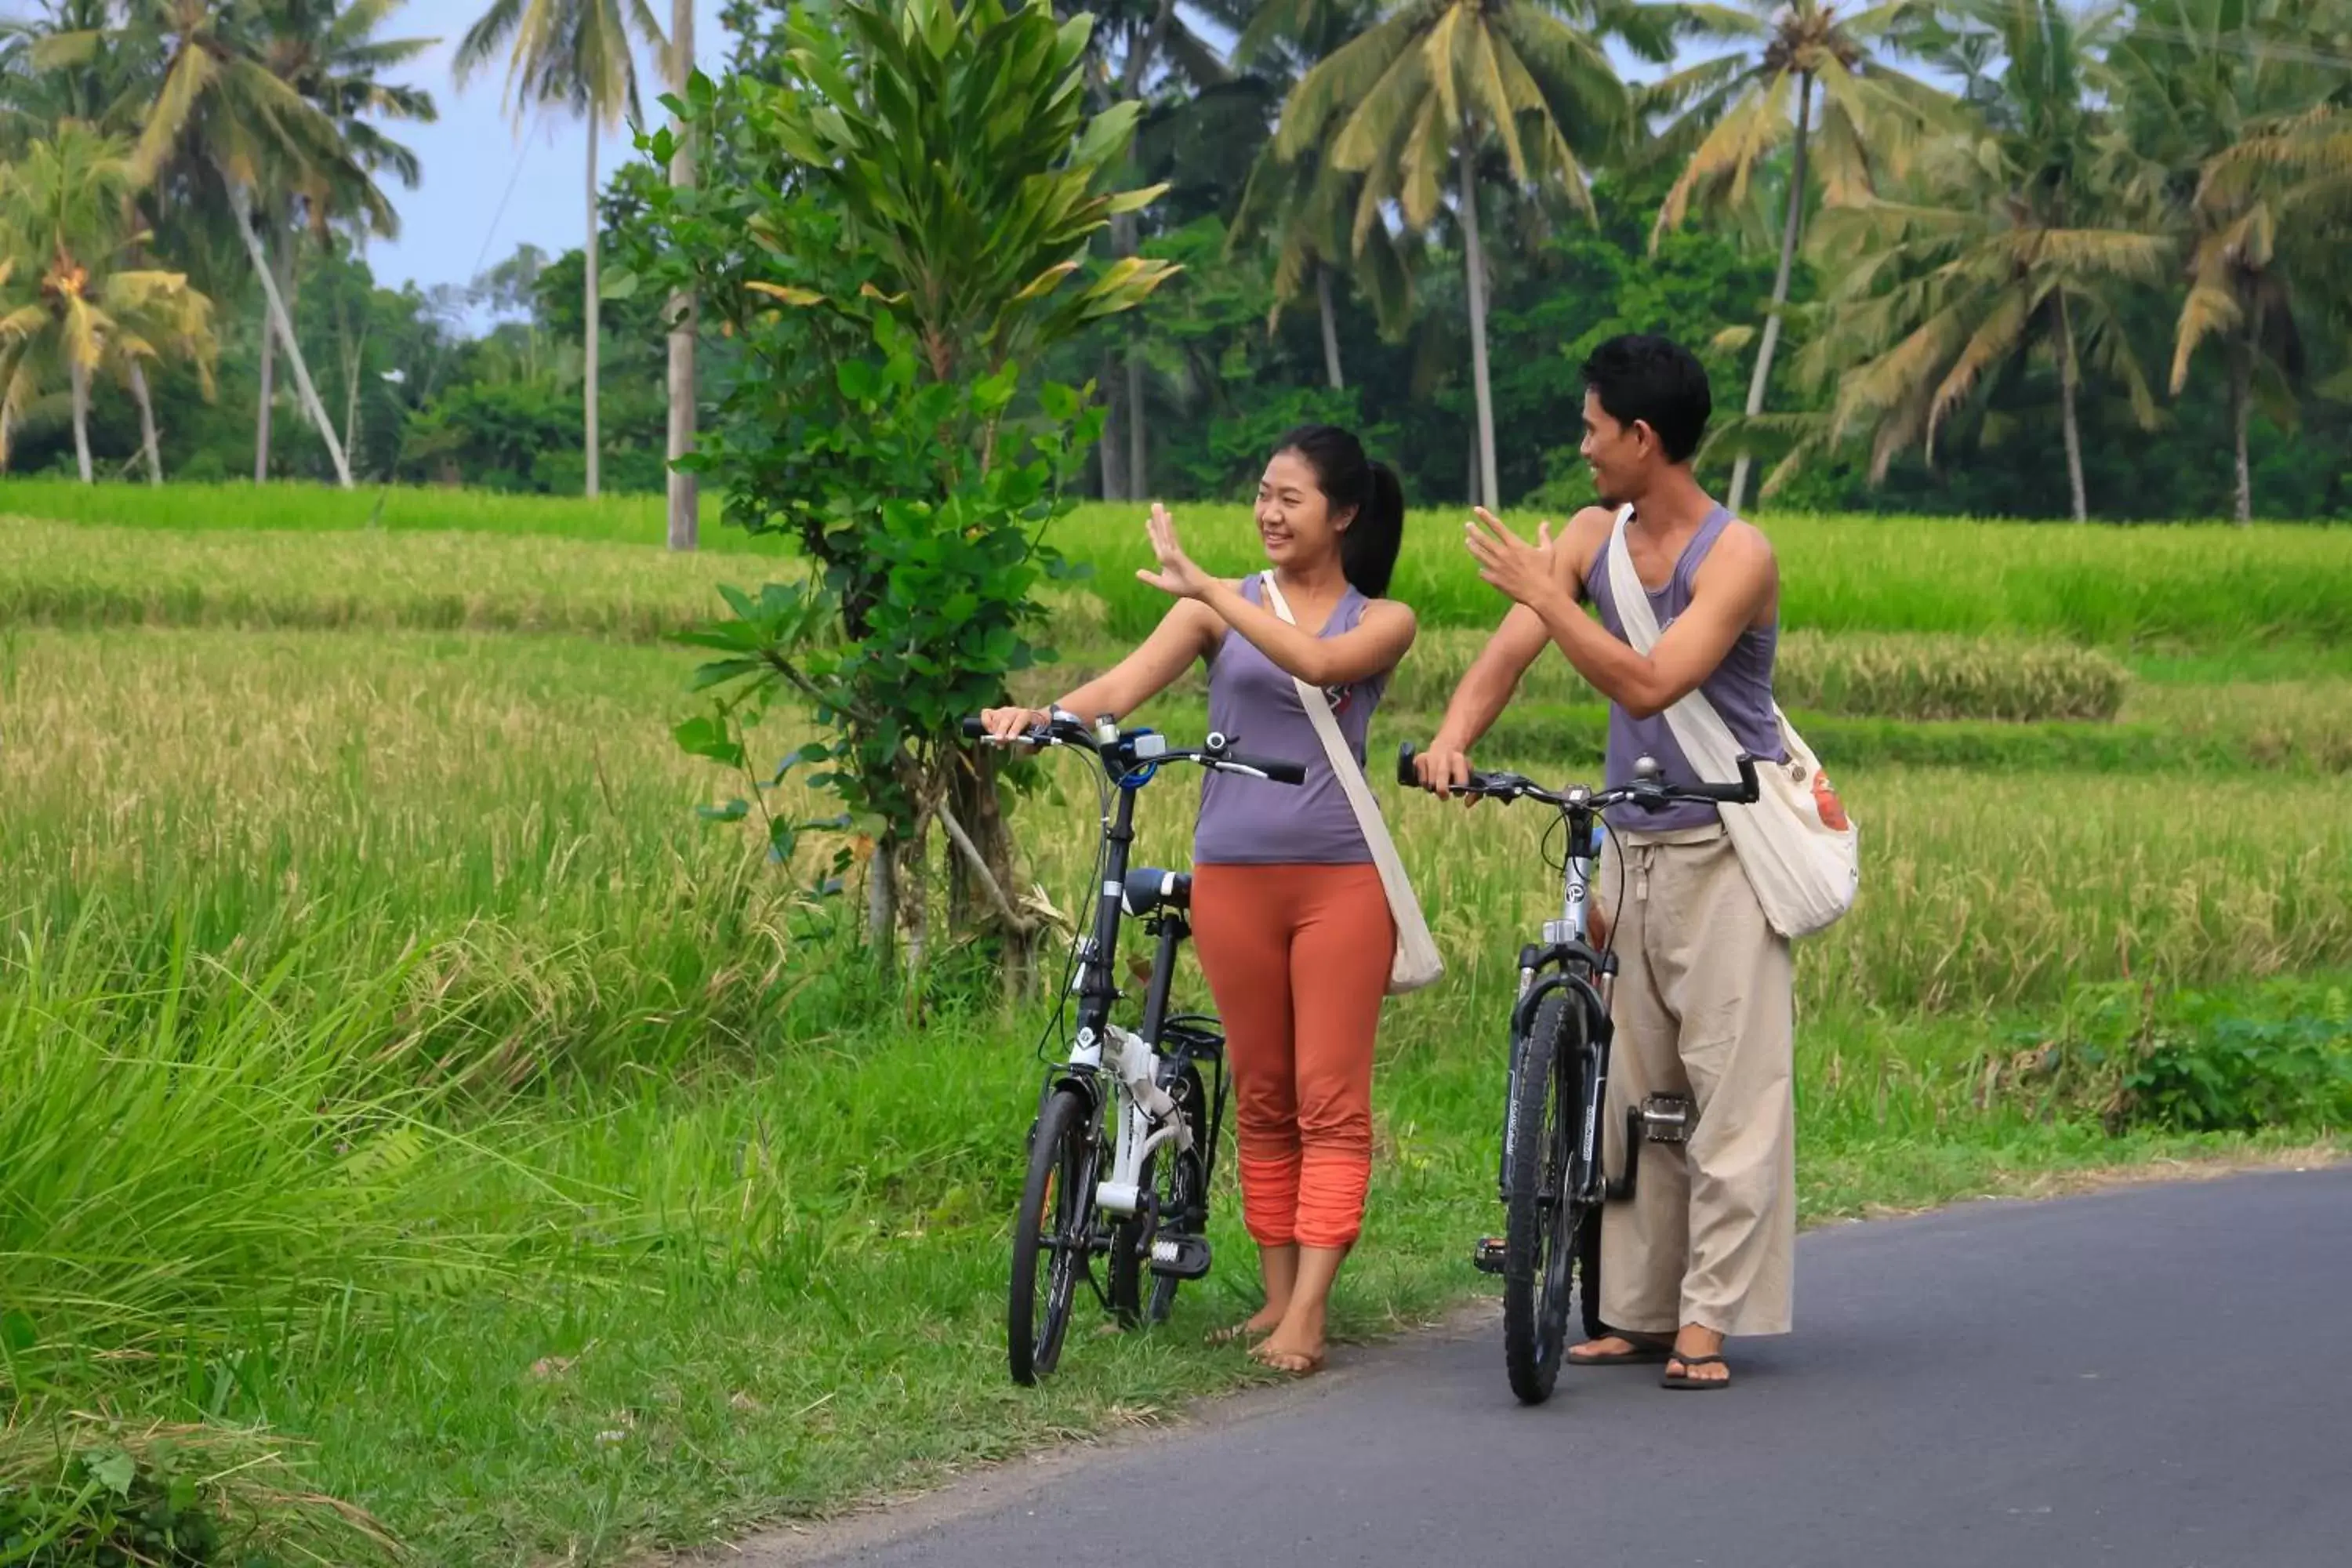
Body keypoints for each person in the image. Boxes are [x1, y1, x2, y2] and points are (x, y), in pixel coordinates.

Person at [982, 426, 1416, 1375]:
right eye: (1263, 492)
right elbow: (1120, 687)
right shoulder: (1213, 610)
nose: (1268, 511)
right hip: (1234, 882)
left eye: (1291, 498)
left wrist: (1211, 587)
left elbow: (1318, 666)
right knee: (1260, 1093)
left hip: (1341, 885)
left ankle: (1310, 1310)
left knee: (1329, 1099)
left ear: (1342, 514)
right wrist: (1045, 717)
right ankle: (1273, 1296)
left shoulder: (1382, 619)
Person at [1415, 333, 1796, 1391]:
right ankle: (1633, 1312)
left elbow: (1647, 682)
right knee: (1634, 1093)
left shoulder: (1737, 556)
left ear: (1643, 436)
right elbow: (1503, 658)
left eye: (1594, 429)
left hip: (1726, 845)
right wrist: (1454, 739)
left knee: (1731, 1093)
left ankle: (1709, 1319)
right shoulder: (1591, 533)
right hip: (1627, 841)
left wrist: (1548, 598)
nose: (1582, 448)